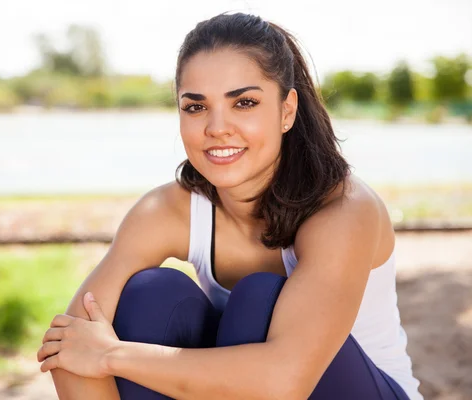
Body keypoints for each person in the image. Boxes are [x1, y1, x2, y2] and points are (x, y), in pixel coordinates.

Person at [36, 12, 423, 399]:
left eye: (244, 102)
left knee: (259, 300)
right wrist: (95, 353)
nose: (217, 127)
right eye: (196, 107)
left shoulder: (345, 211)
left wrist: (111, 356)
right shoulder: (166, 211)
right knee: (150, 294)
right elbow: (67, 347)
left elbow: (284, 382)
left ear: (287, 110)